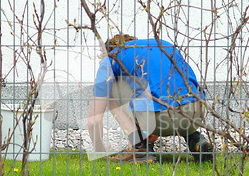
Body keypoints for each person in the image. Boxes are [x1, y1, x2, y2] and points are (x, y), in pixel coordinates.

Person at [87, 34, 213, 163]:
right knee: (166, 89)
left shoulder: (110, 59)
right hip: (197, 112)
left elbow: (94, 120)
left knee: (110, 91)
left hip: (161, 117)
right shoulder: (162, 44)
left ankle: (140, 148)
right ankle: (196, 141)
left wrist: (99, 148)